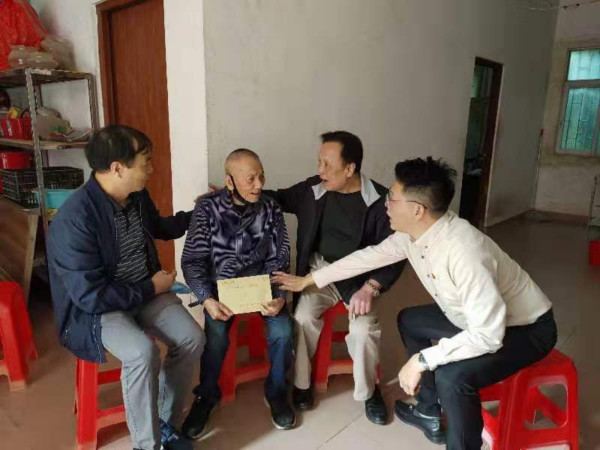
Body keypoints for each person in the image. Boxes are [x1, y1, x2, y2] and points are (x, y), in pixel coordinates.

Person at [274, 157, 557, 450]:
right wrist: (309, 280)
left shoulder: (464, 252)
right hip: (471, 317)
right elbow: (367, 257)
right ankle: (428, 410)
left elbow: (488, 335)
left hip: (525, 329)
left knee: (452, 377)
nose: (386, 204)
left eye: (392, 198)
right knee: (410, 320)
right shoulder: (414, 235)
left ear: (417, 210)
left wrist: (422, 360)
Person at [48, 125, 204, 450]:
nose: (151, 169)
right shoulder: (74, 220)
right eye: (145, 162)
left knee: (192, 337)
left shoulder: (136, 196)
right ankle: (146, 445)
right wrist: (152, 287)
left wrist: (199, 213)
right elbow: (91, 296)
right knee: (142, 353)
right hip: (99, 309)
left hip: (144, 291)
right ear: (118, 168)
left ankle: (164, 423)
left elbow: (160, 227)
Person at [265, 131, 405, 424]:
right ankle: (302, 384)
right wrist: (236, 193)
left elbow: (394, 254)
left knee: (364, 330)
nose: (320, 170)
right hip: (319, 272)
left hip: (360, 280)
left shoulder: (379, 202)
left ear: (350, 168)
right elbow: (278, 198)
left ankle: (369, 392)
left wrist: (372, 286)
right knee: (302, 318)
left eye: (327, 165)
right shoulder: (313, 190)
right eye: (319, 162)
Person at [181, 149, 295, 439]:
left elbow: (279, 257)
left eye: (261, 176)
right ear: (229, 181)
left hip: (261, 287)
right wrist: (207, 299)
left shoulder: (270, 208)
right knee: (216, 336)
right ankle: (207, 395)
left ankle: (277, 391)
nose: (259, 185)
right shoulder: (207, 209)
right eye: (250, 179)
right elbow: (193, 260)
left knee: (283, 330)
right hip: (221, 290)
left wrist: (278, 295)